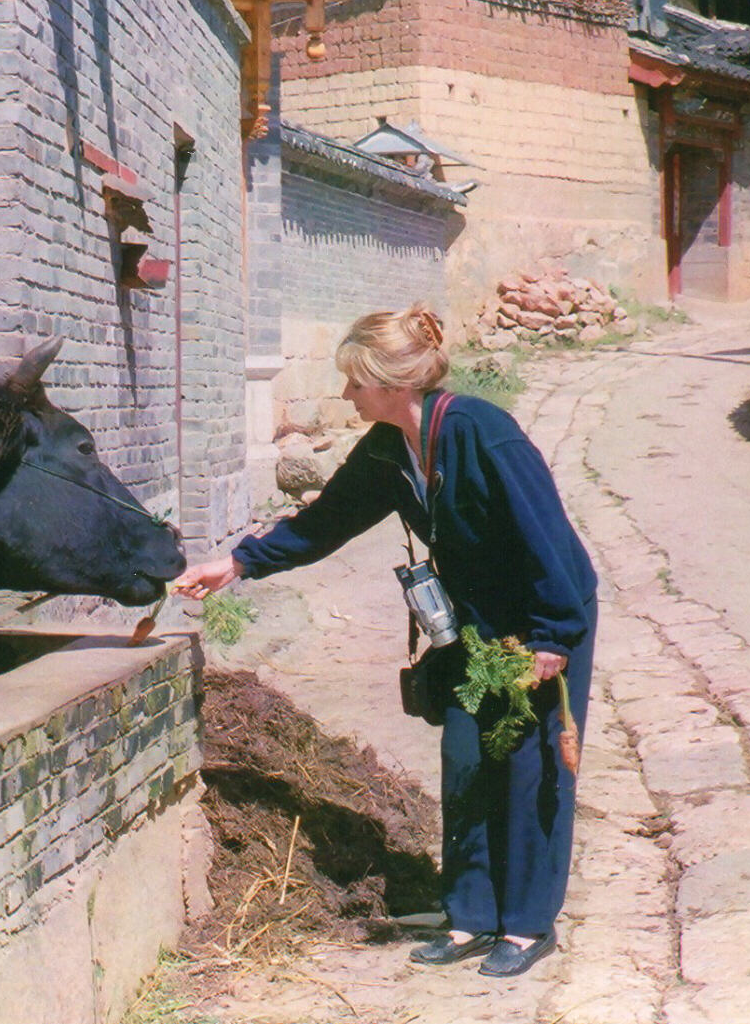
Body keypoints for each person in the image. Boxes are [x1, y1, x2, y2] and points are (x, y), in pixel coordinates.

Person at [174, 303, 597, 978]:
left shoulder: (484, 433)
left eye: (354, 382)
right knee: (465, 757)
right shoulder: (385, 450)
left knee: (526, 761)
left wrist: (555, 635)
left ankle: (525, 925)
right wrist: (239, 562)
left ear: (392, 382)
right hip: (469, 624)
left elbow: (545, 535)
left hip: (542, 616)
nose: (345, 395)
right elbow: (325, 524)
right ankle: (469, 916)